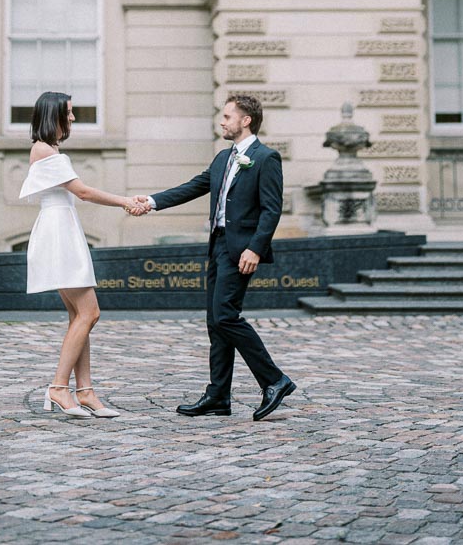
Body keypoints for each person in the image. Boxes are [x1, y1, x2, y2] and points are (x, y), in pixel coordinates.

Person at [130, 93, 296, 422]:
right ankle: (219, 395)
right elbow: (192, 187)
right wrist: (150, 201)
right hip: (217, 246)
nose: (222, 121)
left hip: (241, 250)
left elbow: (271, 210)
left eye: (227, 116)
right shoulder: (223, 158)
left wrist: (255, 248)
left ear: (245, 120)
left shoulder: (266, 158)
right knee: (214, 323)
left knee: (225, 317)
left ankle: (274, 380)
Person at [19, 89, 148, 418]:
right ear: (54, 115)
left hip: (62, 230)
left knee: (80, 317)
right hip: (59, 234)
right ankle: (60, 388)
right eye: (69, 112)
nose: (74, 118)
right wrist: (125, 201)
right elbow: (84, 192)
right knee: (90, 313)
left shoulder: (49, 150)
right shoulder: (46, 152)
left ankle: (85, 391)